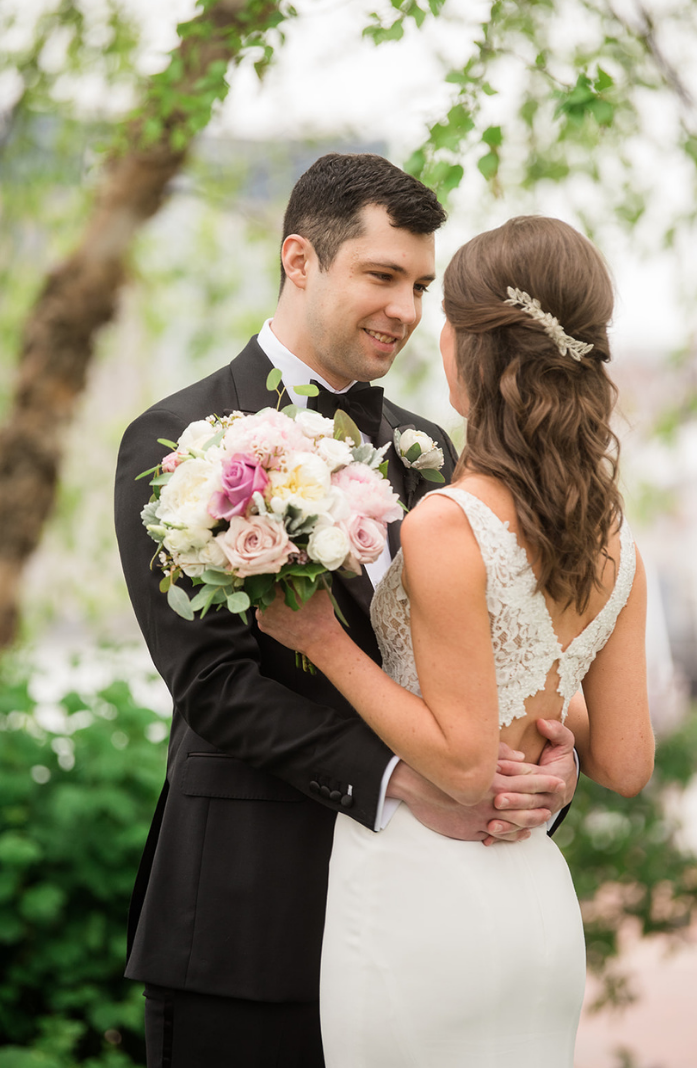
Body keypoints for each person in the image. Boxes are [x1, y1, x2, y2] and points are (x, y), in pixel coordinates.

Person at [112, 154, 578, 1068]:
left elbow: (491, 658)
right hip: (249, 923)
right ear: (299, 261)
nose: (407, 310)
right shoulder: (174, 439)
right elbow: (213, 684)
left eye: (420, 285)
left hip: (426, 927)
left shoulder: (435, 452)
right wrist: (413, 780)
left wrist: (534, 770)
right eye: (381, 276)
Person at [256, 214, 654, 1066]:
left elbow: (465, 762)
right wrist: (556, 757)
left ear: (472, 347)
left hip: (421, 888)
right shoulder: (618, 545)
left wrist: (324, 641)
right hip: (534, 901)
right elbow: (625, 761)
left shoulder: (450, 523)